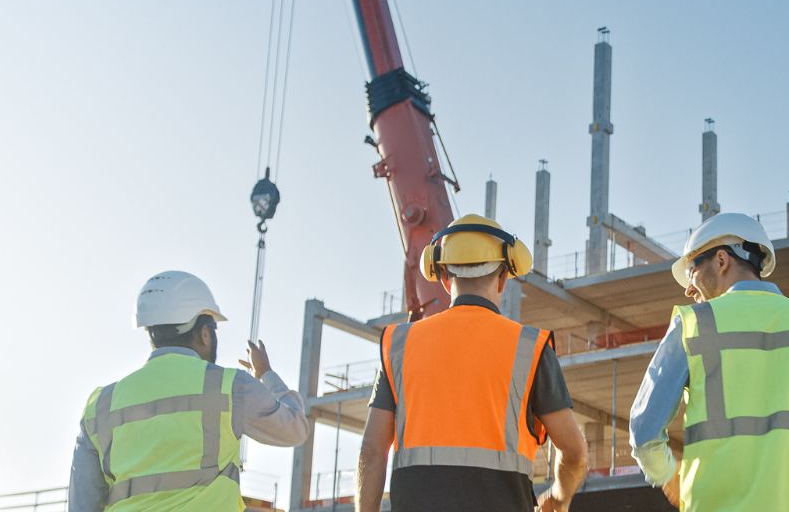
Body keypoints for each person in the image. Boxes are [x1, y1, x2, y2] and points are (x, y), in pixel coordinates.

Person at [629, 212, 789, 512]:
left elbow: (644, 432)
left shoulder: (694, 324)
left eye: (693, 269)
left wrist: (667, 474)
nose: (688, 288)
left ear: (722, 261)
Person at [356, 214, 590, 512]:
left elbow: (372, 451)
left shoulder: (398, 345)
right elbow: (575, 452)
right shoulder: (530, 348)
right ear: (504, 278)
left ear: (443, 277)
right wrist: (559, 495)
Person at [70, 271, 310, 511]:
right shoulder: (229, 386)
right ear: (204, 333)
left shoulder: (101, 405)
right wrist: (266, 374)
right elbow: (295, 428)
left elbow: (82, 503)